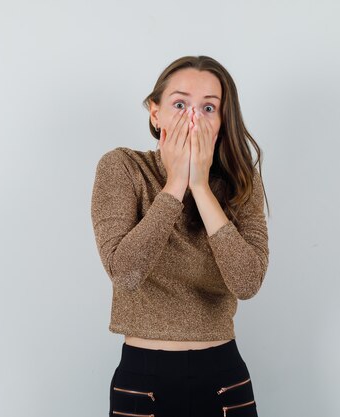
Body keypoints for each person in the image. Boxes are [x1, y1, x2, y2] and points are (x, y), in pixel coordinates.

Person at [91, 55, 270, 417]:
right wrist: (174, 185)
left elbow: (248, 282)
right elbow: (125, 273)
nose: (193, 118)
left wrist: (201, 187)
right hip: (144, 380)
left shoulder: (240, 181)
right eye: (179, 103)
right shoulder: (123, 168)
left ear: (221, 121)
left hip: (223, 377)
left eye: (208, 107)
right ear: (155, 114)